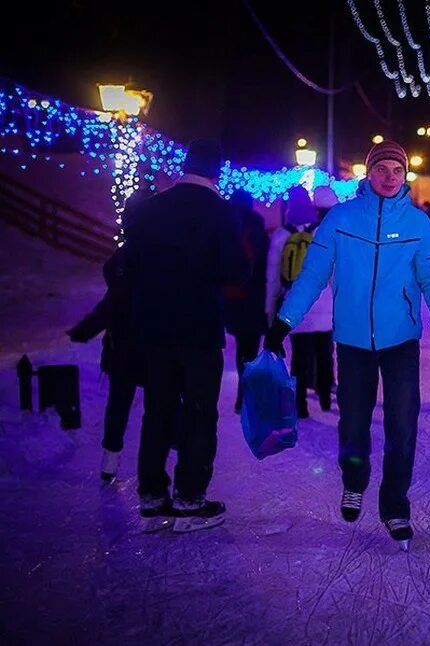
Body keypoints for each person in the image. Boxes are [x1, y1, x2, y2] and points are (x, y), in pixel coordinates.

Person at [264, 140, 430, 550]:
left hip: (400, 340)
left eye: (397, 170)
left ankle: (395, 505)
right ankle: (354, 481)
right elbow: (313, 276)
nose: (390, 177)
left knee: (402, 425)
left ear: (404, 175)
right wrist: (284, 322)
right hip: (353, 341)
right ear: (368, 174)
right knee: (352, 422)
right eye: (382, 169)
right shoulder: (341, 218)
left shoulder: (417, 224)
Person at [122, 139, 250, 532]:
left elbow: (128, 262)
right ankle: (189, 499)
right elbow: (235, 271)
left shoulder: (151, 207)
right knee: (198, 412)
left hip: (154, 326)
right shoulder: (220, 211)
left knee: (157, 409)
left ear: (185, 165)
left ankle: (152, 496)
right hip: (198, 327)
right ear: (218, 171)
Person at [67, 235, 142, 482]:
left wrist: (87, 329)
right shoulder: (158, 250)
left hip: (124, 344)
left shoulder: (127, 254)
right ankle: (157, 458)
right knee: (158, 401)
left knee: (119, 401)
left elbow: (110, 302)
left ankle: (111, 455)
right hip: (148, 344)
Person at [266, 186, 335, 417]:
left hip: (295, 305)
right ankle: (325, 399)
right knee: (325, 354)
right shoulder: (322, 232)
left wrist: (271, 310)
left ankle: (300, 405)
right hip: (324, 304)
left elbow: (273, 277)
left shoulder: (281, 235)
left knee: (300, 356)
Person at [224, 190, 270, 413]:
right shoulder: (257, 226)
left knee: (241, 348)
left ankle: (241, 395)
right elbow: (265, 262)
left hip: (234, 296)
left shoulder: (228, 225)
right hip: (255, 296)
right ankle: (247, 395)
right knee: (251, 349)